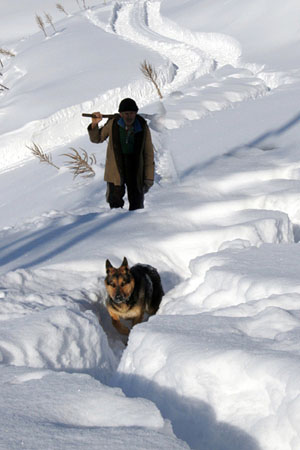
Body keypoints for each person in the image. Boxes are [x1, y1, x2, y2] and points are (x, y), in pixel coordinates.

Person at [88, 98, 154, 211]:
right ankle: (116, 225)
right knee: (115, 202)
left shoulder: (142, 126)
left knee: (137, 204)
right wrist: (94, 124)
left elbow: (148, 153)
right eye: (126, 113)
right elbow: (97, 138)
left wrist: (148, 177)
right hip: (115, 167)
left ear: (136, 113)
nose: (129, 116)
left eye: (132, 113)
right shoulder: (113, 123)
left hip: (135, 167)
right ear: (121, 114)